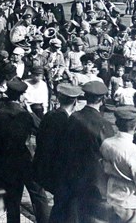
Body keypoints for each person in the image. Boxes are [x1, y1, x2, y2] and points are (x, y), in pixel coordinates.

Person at [0, 78, 50, 223]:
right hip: (25, 159)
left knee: (13, 200)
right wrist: (29, 111)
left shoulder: (0, 113)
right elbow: (41, 128)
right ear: (21, 96)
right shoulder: (24, 115)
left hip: (7, 162)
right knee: (38, 195)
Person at [62, 80, 115, 223]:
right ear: (102, 99)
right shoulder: (104, 124)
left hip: (73, 174)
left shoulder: (74, 117)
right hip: (95, 179)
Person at [32, 83, 83, 223]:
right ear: (75, 101)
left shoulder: (49, 116)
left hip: (47, 169)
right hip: (62, 172)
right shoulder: (69, 121)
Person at [100, 106, 136, 222]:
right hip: (133, 204)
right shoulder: (134, 153)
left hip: (113, 198)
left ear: (117, 123)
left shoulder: (107, 143)